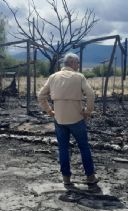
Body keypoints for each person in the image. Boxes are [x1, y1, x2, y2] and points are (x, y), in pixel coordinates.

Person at [37, 52, 98, 187]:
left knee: (63, 148)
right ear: (72, 63)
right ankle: (90, 177)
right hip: (77, 118)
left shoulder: (53, 77)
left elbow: (41, 96)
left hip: (59, 119)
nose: (78, 65)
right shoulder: (79, 77)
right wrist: (87, 111)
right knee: (84, 147)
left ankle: (66, 179)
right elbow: (91, 95)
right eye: (77, 63)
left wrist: (49, 111)